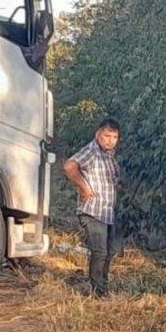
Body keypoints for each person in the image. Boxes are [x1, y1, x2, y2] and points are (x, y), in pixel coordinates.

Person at [63, 119, 122, 297]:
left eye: (114, 137)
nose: (110, 140)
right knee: (100, 251)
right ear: (98, 134)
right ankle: (98, 291)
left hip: (106, 211)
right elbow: (69, 166)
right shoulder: (92, 151)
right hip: (92, 210)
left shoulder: (108, 155)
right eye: (107, 136)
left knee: (110, 251)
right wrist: (83, 187)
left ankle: (103, 286)